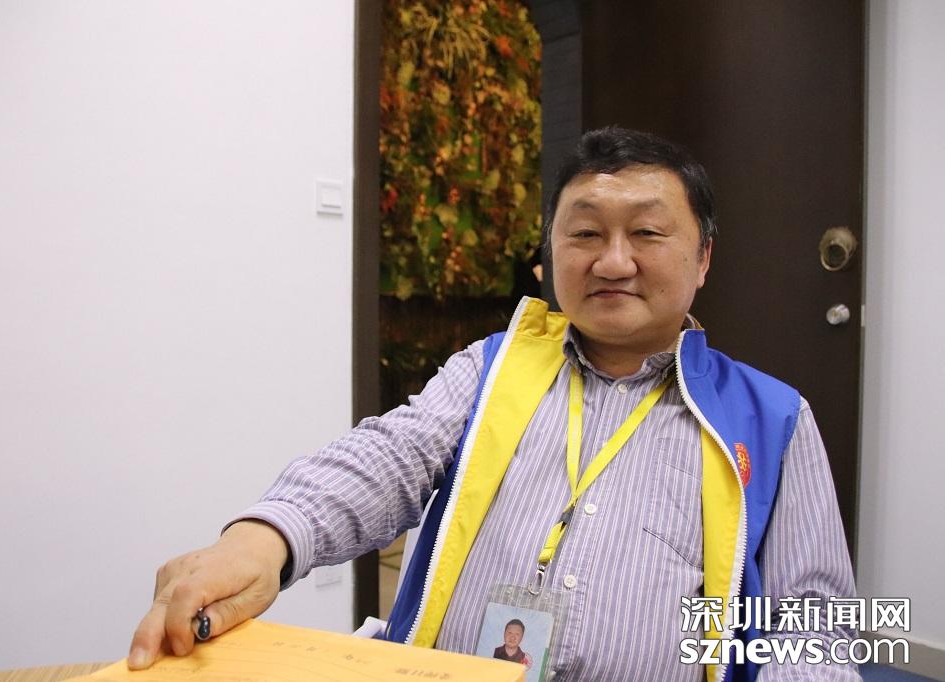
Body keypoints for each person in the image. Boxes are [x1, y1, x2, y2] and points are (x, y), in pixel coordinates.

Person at [128, 127, 859, 681]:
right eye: (584, 233)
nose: (612, 260)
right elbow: (390, 455)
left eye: (646, 232)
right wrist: (263, 541)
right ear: (550, 255)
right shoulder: (490, 367)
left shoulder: (773, 419)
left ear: (702, 258)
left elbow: (815, 625)